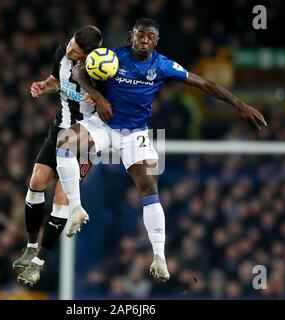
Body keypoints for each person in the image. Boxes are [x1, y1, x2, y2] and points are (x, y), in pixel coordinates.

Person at [55, 18, 267, 282]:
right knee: (65, 142)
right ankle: (76, 208)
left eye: (150, 37)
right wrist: (97, 96)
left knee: (148, 188)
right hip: (103, 126)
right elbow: (78, 72)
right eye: (140, 35)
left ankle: (159, 258)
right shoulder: (111, 56)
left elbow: (206, 84)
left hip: (136, 135)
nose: (144, 40)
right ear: (132, 36)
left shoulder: (163, 65)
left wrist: (240, 105)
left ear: (156, 41)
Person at [13, 25, 103, 286]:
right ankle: (31, 245)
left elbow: (113, 105)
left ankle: (39, 262)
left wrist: (97, 95)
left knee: (61, 198)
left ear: (90, 54)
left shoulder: (104, 70)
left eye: (76, 49)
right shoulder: (62, 52)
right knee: (36, 182)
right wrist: (44, 86)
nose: (70, 48)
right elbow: (56, 80)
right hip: (59, 129)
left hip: (84, 140)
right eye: (71, 42)